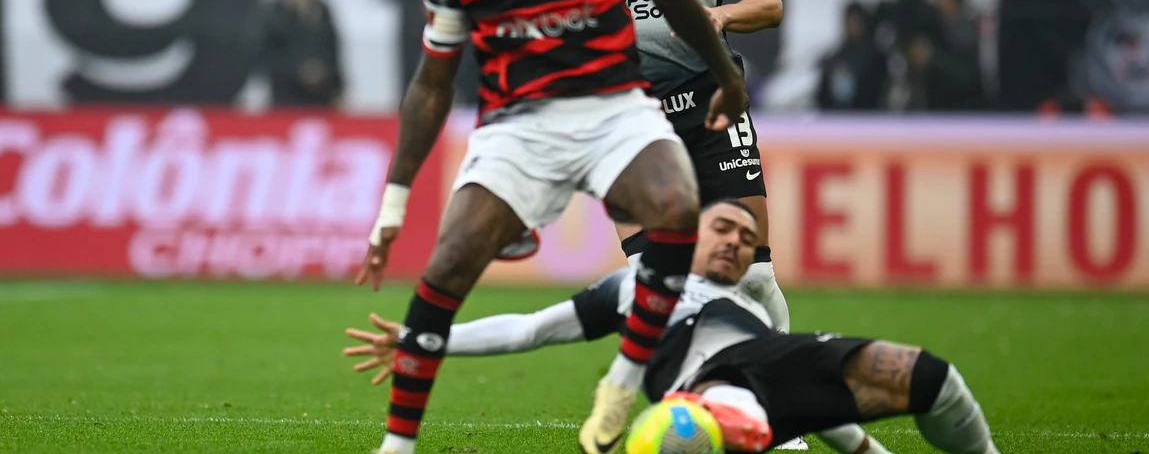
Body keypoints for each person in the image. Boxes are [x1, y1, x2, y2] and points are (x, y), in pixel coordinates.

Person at [354, 0, 748, 453]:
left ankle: (623, 380)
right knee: (448, 266)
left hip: (614, 109)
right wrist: (394, 202)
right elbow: (431, 85)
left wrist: (727, 75)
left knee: (676, 207)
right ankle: (397, 446)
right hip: (519, 129)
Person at [344, 200, 1000, 454]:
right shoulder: (633, 286)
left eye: (747, 237)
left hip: (767, 388)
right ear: (688, 233)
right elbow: (530, 331)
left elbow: (796, 381)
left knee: (932, 378)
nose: (737, 243)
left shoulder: (753, 300)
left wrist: (864, 450)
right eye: (724, 228)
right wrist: (422, 340)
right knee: (692, 429)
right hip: (706, 393)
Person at [580, 0, 791, 345]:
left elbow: (767, 1)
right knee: (655, 281)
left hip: (711, 103)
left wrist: (717, 17)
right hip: (629, 117)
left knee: (755, 276)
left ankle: (783, 417)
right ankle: (697, 397)